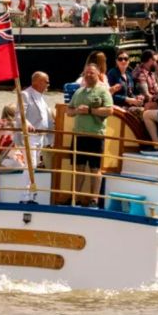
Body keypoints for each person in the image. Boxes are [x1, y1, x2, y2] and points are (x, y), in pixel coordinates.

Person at [67, 63, 113, 207]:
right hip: (79, 136)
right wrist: (76, 111)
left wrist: (90, 111)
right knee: (79, 168)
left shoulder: (103, 91)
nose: (88, 75)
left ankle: (94, 199)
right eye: (86, 73)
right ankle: (75, 198)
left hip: (96, 136)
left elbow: (109, 111)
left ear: (98, 75)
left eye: (91, 73)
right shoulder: (79, 92)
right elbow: (69, 111)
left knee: (95, 169)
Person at [18, 71, 53, 170]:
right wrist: (27, 123)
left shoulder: (41, 97)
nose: (48, 84)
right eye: (47, 82)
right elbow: (19, 114)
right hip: (30, 136)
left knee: (35, 165)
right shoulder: (25, 94)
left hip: (41, 137)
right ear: (38, 82)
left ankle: (29, 185)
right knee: (31, 165)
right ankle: (26, 186)